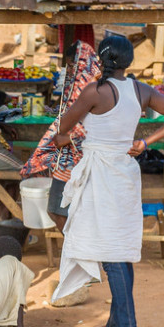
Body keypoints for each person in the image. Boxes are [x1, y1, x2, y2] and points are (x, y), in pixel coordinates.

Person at [51, 35, 164, 327]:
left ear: (101, 59)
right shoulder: (141, 90)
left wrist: (61, 140)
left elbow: (64, 126)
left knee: (112, 256)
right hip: (124, 173)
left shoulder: (95, 92)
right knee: (119, 251)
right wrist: (145, 142)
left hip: (101, 176)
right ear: (128, 61)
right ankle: (116, 325)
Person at [22, 40, 101, 228]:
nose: (70, 69)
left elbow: (90, 126)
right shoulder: (95, 83)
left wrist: (69, 138)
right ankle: (78, 250)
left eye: (71, 64)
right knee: (67, 212)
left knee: (59, 212)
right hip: (81, 158)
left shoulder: (87, 87)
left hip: (76, 160)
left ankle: (77, 250)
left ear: (78, 62)